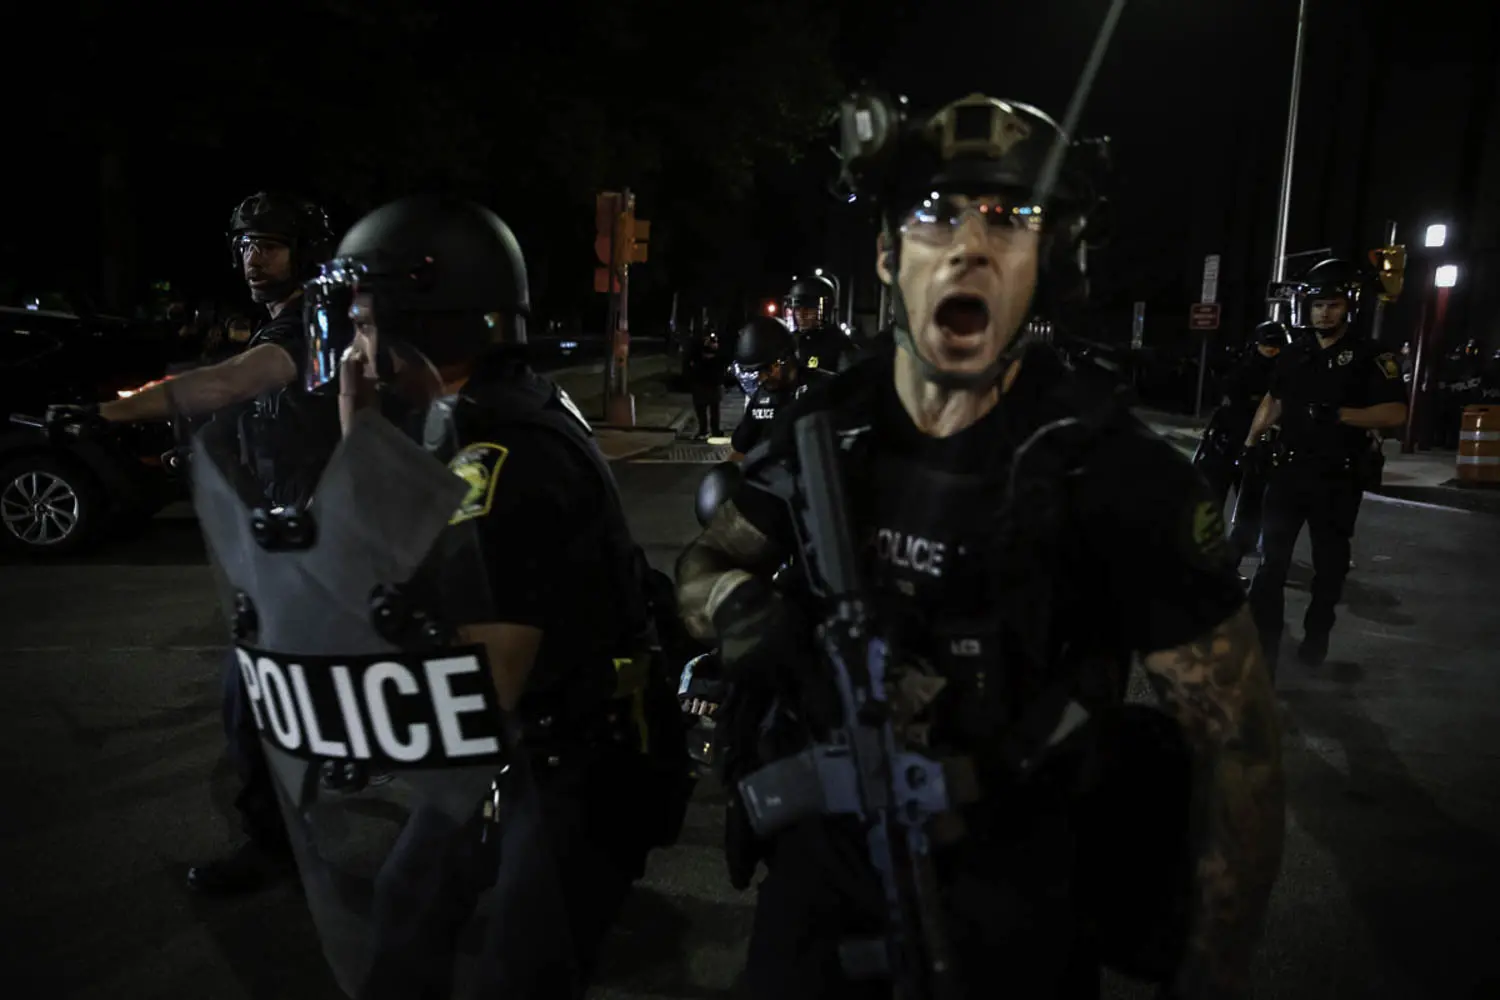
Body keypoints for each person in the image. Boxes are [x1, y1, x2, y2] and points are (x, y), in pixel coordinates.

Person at [676, 92, 1284, 999]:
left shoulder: (1113, 472)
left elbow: (1237, 741)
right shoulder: (825, 434)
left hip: (1017, 902)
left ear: (1052, 261)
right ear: (888, 256)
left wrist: (1212, 968)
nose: (969, 244)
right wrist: (749, 614)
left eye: (1013, 218)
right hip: (819, 888)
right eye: (933, 213)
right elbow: (703, 567)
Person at [308, 193, 687, 994]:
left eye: (369, 320)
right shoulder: (469, 408)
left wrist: (351, 707)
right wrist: (356, 413)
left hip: (582, 757)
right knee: (407, 906)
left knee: (524, 967)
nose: (355, 342)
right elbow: (384, 532)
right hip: (524, 741)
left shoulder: (505, 451)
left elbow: (485, 684)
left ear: (430, 321)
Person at [45, 192, 339, 895]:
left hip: (318, 552)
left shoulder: (309, 324)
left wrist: (107, 410)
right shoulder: (283, 324)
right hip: (288, 550)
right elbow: (249, 416)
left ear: (302, 251)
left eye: (269, 243)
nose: (252, 257)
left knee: (255, 705)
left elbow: (233, 382)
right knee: (283, 705)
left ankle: (279, 849)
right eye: (244, 245)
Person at [1243, 257, 1407, 671]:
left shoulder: (1370, 355)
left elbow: (1394, 413)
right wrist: (1251, 440)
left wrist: (1340, 415)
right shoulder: (1295, 353)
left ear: (1347, 306)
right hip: (1289, 472)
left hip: (1337, 477)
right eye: (1317, 305)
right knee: (1270, 563)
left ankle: (1317, 634)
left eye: (1332, 305)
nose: (1323, 312)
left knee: (1329, 567)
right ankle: (1266, 648)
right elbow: (1274, 399)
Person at [1193, 320, 1288, 563]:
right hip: (1227, 441)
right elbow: (1226, 396)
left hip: (1259, 445)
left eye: (1276, 346)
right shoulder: (1241, 366)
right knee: (1213, 497)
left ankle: (1236, 553)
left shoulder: (1284, 370)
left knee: (1251, 504)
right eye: (1267, 345)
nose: (1271, 351)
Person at [728, 315, 804, 460]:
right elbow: (740, 450)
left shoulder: (817, 388)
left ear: (787, 358)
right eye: (757, 372)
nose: (762, 378)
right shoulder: (762, 397)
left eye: (768, 369)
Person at [783, 275, 859, 373]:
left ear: (826, 309)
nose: (801, 315)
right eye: (797, 309)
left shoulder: (840, 346)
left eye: (808, 309)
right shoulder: (790, 343)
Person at [686, 327, 727, 439]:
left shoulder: (717, 349)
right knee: (703, 408)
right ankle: (705, 430)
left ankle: (712, 430)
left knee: (712, 408)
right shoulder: (698, 347)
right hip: (703, 381)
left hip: (710, 381)